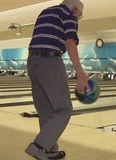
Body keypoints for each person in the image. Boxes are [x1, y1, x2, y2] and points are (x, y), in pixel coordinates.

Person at [25, 0, 90, 160]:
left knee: (46, 110)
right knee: (64, 109)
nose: (78, 19)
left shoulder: (45, 12)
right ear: (75, 9)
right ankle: (39, 146)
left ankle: (49, 150)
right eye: (79, 15)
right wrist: (81, 74)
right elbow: (70, 42)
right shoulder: (69, 15)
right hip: (50, 61)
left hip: (33, 61)